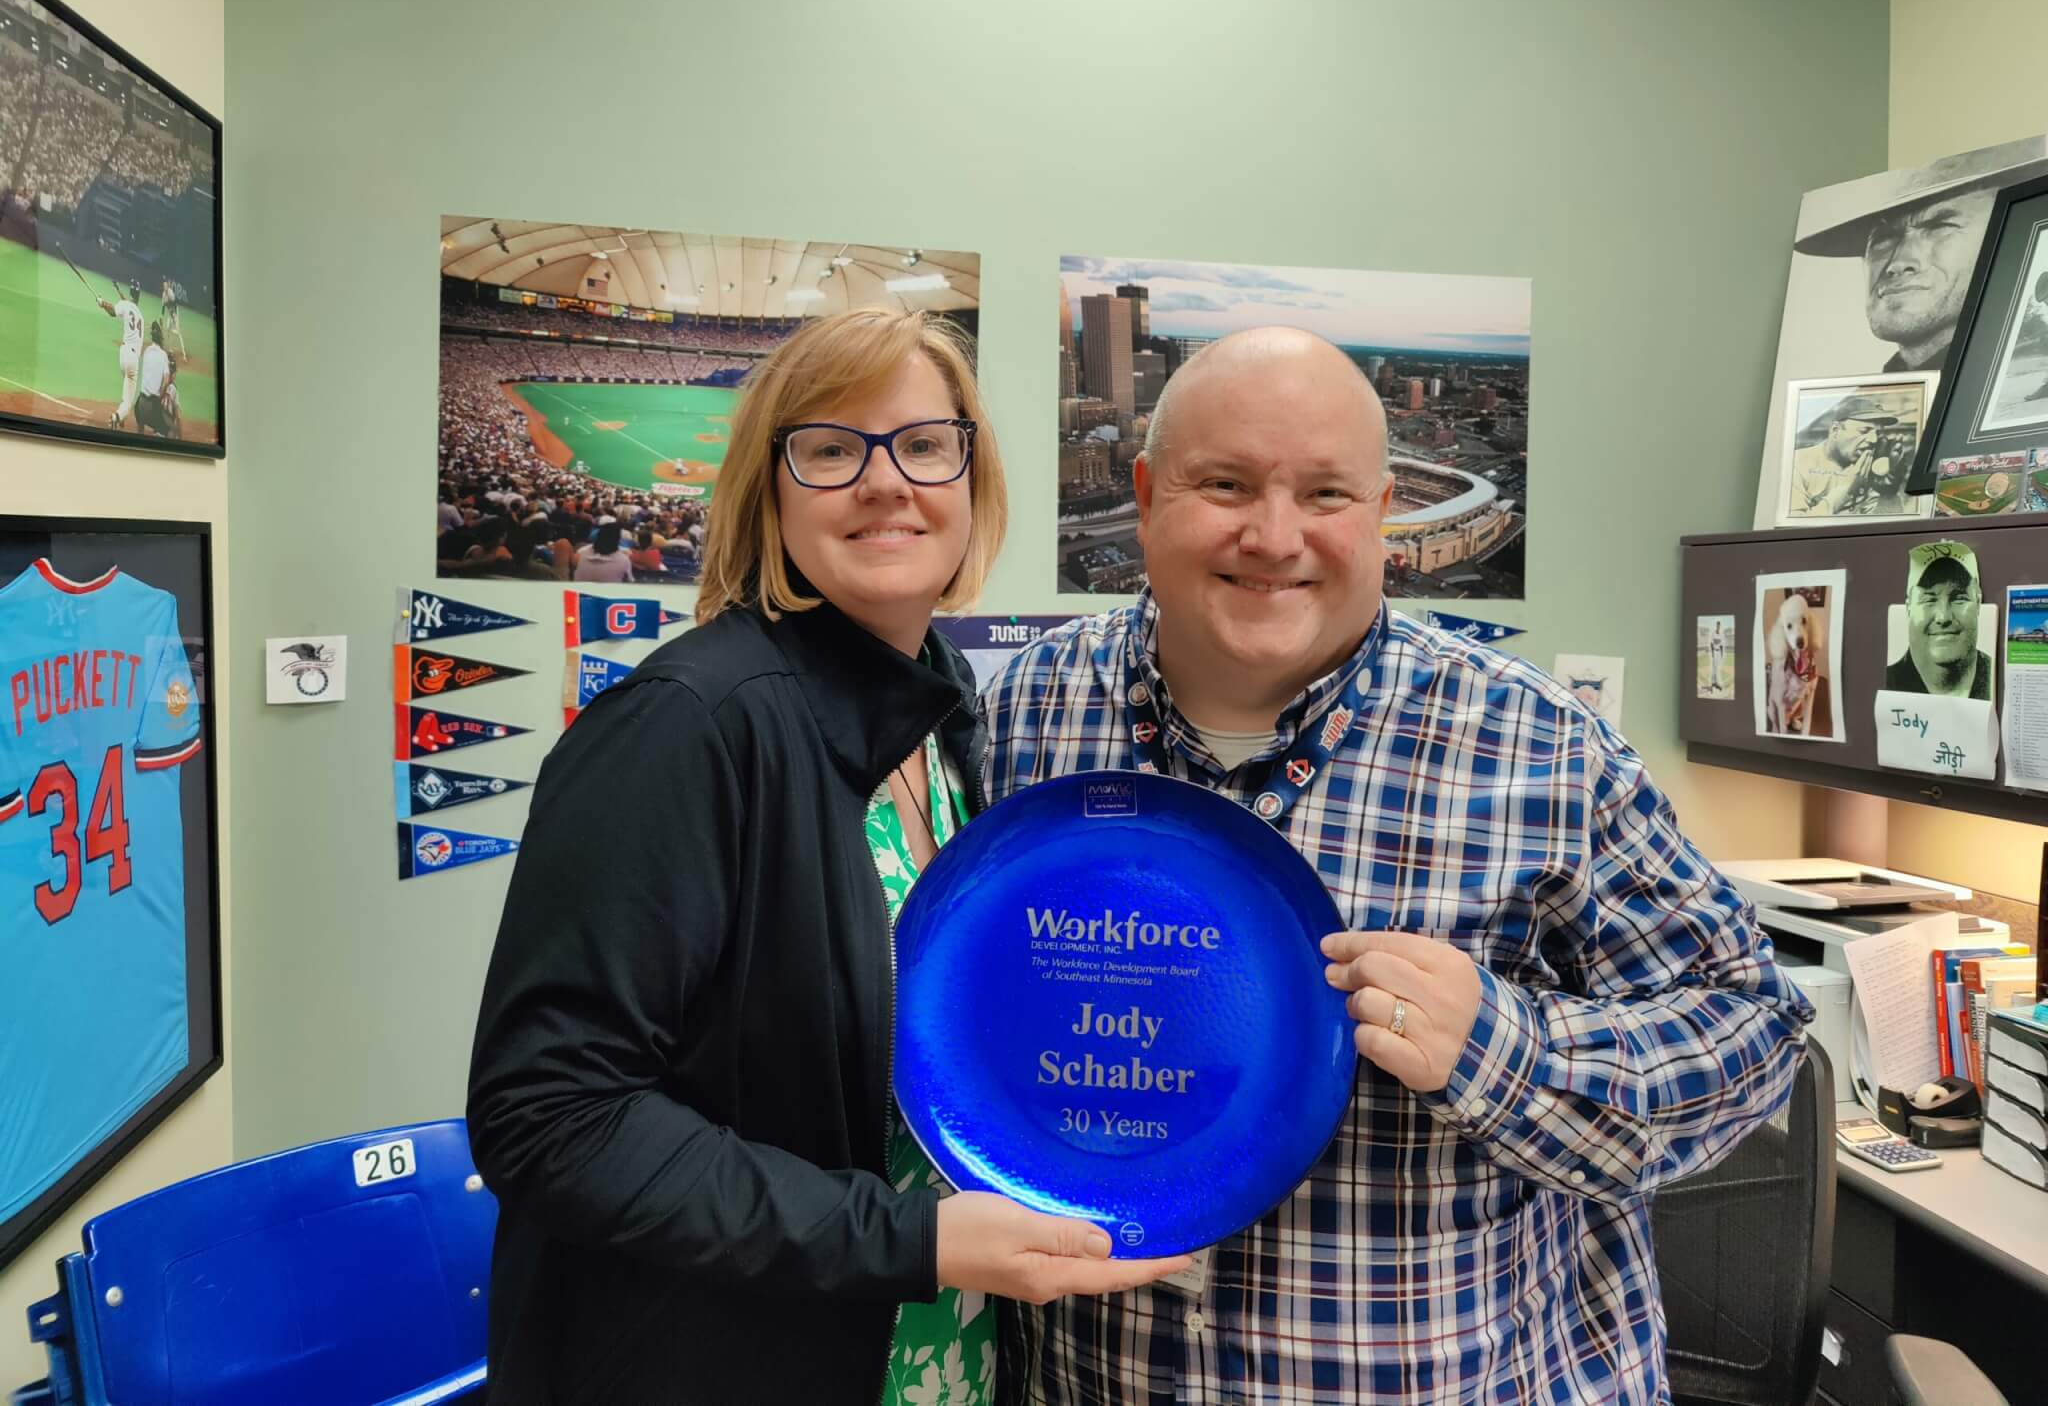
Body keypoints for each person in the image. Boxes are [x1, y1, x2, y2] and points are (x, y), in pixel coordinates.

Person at [980, 327, 1812, 1404]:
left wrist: (1503, 1047)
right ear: (1144, 496)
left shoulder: (1538, 746)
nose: (1271, 536)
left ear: (1381, 516)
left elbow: (1754, 1028)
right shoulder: (1018, 719)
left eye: (1323, 494)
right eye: (1223, 483)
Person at [468, 308, 1186, 1406]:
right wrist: (909, 1239)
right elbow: (551, 1118)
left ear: (968, 474)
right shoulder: (687, 723)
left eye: (922, 443)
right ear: (770, 486)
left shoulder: (940, 722)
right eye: (831, 447)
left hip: (928, 1361)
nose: (886, 481)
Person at [1794, 138, 2047, 373]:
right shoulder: (1850, 416)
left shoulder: (2023, 388)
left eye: (1939, 226)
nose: (1898, 263)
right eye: (1884, 238)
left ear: (2007, 239)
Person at [1885, 543, 1989, 699]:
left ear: (1978, 604)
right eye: (1929, 600)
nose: (1943, 617)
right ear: (1908, 608)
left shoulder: (2000, 677)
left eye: (1959, 598)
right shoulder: (1887, 683)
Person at [1787, 402, 1890, 516]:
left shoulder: (1867, 468)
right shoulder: (1797, 462)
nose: (1874, 439)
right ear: (1835, 430)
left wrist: (1888, 494)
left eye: (1878, 433)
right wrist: (1845, 490)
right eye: (1864, 431)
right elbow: (1796, 528)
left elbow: (1878, 525)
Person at [97, 278, 144, 429]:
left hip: (123, 354)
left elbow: (113, 310)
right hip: (133, 359)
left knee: (126, 383)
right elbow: (127, 305)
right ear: (139, 295)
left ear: (130, 292)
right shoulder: (141, 316)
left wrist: (101, 302)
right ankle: (116, 417)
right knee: (128, 400)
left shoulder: (125, 305)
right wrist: (117, 292)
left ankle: (121, 416)